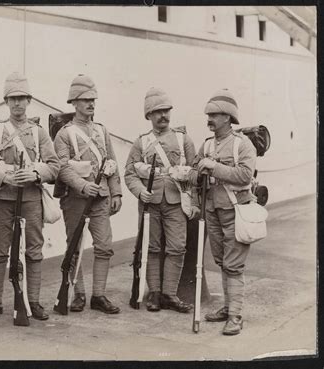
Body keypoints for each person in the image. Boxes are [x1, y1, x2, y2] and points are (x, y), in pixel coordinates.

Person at [0, 72, 60, 321]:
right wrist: (4, 178)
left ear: (29, 100)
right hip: (2, 199)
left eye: (21, 98)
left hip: (31, 199)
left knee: (34, 250)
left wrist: (35, 174)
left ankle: (33, 302)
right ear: (6, 102)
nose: (17, 104)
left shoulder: (39, 133)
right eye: (12, 99)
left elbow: (54, 166)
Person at [124, 87, 199, 313]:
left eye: (166, 110)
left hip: (177, 201)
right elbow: (129, 172)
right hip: (150, 202)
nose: (163, 116)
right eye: (157, 112)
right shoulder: (141, 142)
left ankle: (170, 293)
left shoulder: (183, 138)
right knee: (152, 247)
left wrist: (193, 202)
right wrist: (139, 191)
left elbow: (194, 173)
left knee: (177, 247)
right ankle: (154, 293)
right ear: (149, 115)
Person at [53, 74, 122, 314]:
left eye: (93, 99)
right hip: (75, 199)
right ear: (74, 102)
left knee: (104, 246)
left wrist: (117, 193)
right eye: (85, 100)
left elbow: (111, 162)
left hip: (101, 197)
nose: (90, 104)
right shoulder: (65, 134)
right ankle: (78, 293)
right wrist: (82, 186)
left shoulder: (102, 131)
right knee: (74, 246)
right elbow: (61, 167)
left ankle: (99, 295)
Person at [193, 89, 257, 335]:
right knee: (222, 261)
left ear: (228, 117)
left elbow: (244, 175)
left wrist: (214, 167)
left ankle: (235, 316)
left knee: (234, 265)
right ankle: (228, 306)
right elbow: (195, 169)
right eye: (208, 114)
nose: (209, 119)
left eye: (215, 114)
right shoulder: (207, 144)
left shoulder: (242, 144)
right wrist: (190, 173)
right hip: (212, 211)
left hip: (236, 210)